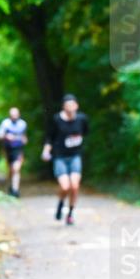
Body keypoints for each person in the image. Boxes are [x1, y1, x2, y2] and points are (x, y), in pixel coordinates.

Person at [42, 94, 88, 226]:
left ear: (77, 106)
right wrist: (46, 151)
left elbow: (85, 132)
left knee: (74, 186)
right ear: (63, 107)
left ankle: (70, 214)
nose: (70, 108)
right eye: (67, 106)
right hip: (60, 157)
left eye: (72, 105)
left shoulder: (82, 119)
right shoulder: (57, 120)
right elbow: (49, 137)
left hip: (75, 156)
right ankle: (61, 203)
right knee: (65, 186)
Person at [0, 107, 27, 197]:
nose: (14, 116)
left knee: (16, 168)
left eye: (15, 114)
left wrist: (24, 139)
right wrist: (6, 136)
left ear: (19, 115)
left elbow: (24, 136)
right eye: (12, 115)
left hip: (18, 149)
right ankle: (11, 186)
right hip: (8, 149)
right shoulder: (5, 124)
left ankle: (15, 190)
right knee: (11, 170)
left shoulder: (23, 124)